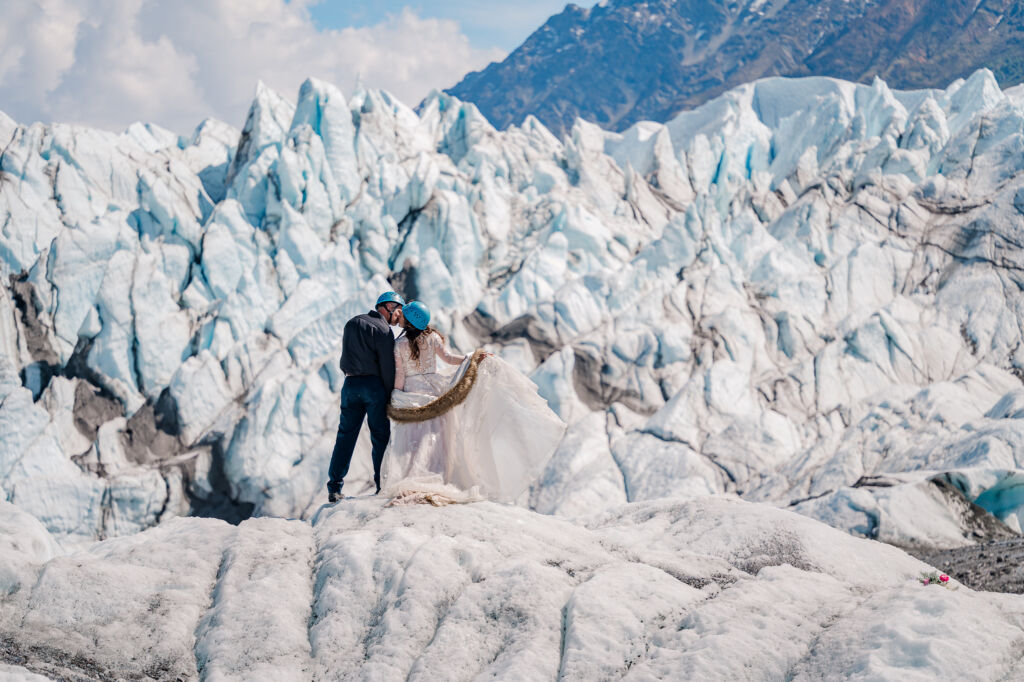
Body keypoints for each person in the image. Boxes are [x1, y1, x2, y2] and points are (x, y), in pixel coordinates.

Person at [380, 301, 566, 506]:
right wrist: (473, 359)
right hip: (435, 390)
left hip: (412, 390)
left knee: (414, 438)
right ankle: (436, 474)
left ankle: (414, 475)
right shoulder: (432, 337)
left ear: (408, 320)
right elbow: (450, 359)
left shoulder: (399, 344)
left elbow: (400, 374)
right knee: (435, 436)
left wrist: (396, 394)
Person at [327, 291, 405, 503]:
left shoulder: (352, 322)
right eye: (398, 309)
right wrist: (391, 394)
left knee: (345, 436)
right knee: (380, 437)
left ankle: (334, 487)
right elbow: (387, 368)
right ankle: (381, 486)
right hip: (374, 386)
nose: (399, 315)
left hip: (350, 384)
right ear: (387, 306)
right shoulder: (383, 330)